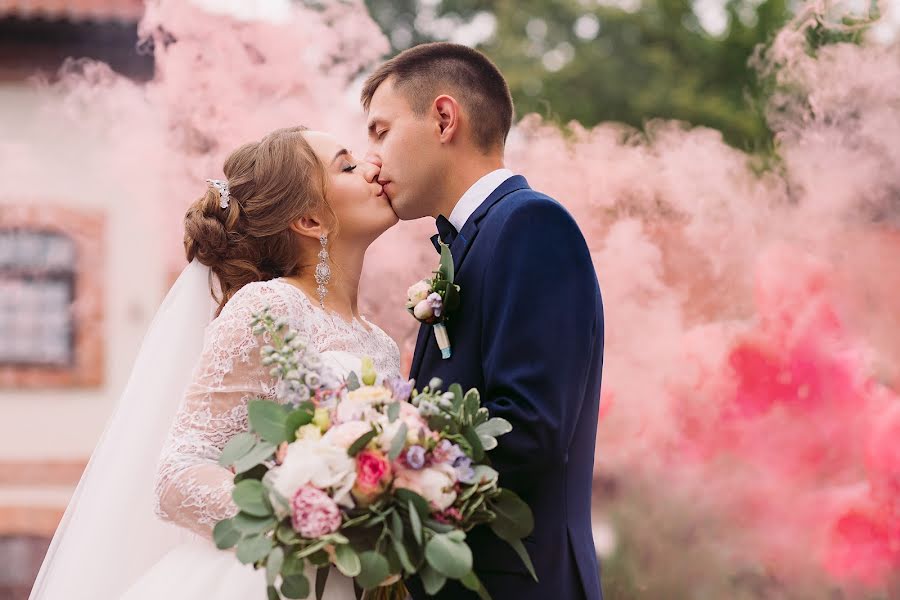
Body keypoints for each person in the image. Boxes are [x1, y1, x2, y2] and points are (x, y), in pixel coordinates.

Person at [29, 126, 401, 600]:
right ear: (310, 220)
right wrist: (303, 514)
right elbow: (177, 475)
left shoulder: (382, 345)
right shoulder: (267, 308)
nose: (372, 166)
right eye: (348, 166)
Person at [362, 43, 605, 600]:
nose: (371, 159)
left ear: (444, 118)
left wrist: (381, 472)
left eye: (381, 131)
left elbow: (529, 428)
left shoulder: (530, 224)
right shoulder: (473, 242)